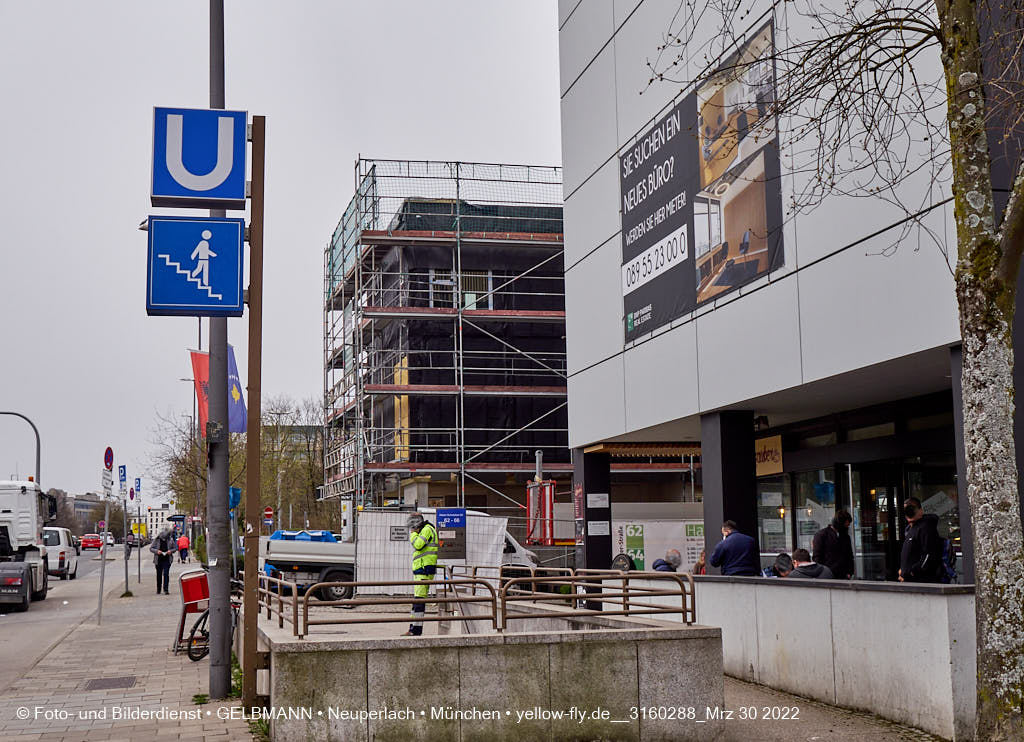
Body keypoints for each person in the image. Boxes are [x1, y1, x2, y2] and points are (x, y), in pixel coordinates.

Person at [402, 512, 438, 636]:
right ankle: (412, 628)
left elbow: (418, 545)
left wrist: (413, 535)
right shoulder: (426, 529)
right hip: (421, 570)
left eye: (412, 527)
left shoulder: (427, 530)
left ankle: (416, 631)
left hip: (424, 570)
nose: (412, 529)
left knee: (419, 601)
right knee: (417, 601)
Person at [899, 497, 944, 583]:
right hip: (911, 582)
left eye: (911, 509)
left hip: (922, 582)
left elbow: (929, 554)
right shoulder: (910, 529)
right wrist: (903, 571)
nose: (909, 512)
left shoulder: (926, 528)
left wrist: (912, 571)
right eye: (906, 510)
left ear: (921, 511)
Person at [812, 510, 855, 579]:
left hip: (843, 575)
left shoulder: (845, 537)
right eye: (846, 525)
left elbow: (849, 555)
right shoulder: (821, 535)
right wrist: (822, 574)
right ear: (840, 524)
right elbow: (817, 557)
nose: (847, 527)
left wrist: (850, 572)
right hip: (827, 575)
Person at [150, 528, 175, 595]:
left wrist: (171, 551)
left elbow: (175, 548)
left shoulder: (170, 540)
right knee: (159, 575)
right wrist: (157, 551)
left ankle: (166, 589)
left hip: (167, 559)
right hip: (158, 560)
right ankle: (158, 589)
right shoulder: (156, 540)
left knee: (166, 574)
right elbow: (151, 548)